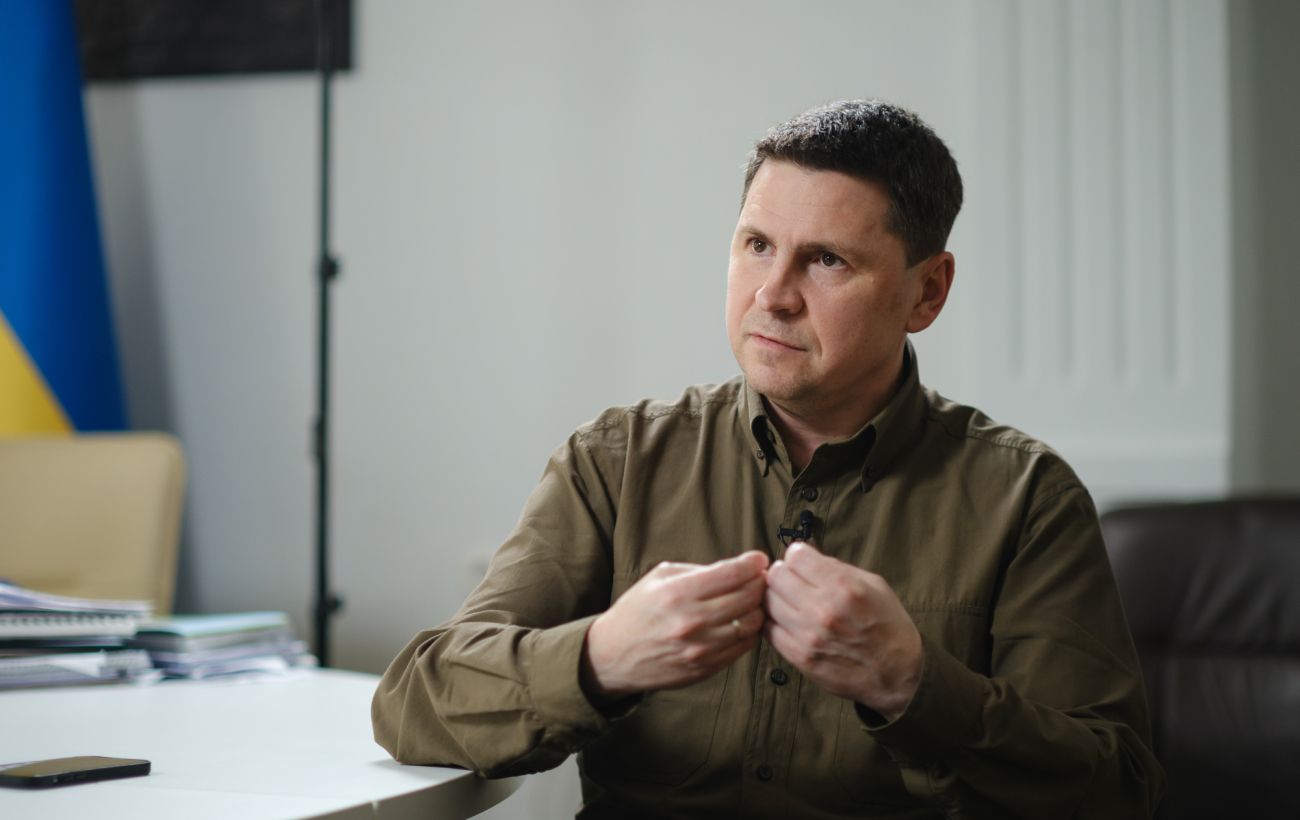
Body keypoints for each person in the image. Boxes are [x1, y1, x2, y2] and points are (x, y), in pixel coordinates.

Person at [372, 99, 1164, 819]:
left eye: (827, 261)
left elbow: (1115, 792)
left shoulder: (1026, 497)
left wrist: (913, 686)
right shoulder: (615, 461)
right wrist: (601, 659)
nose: (772, 295)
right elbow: (415, 705)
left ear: (927, 293)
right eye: (757, 245)